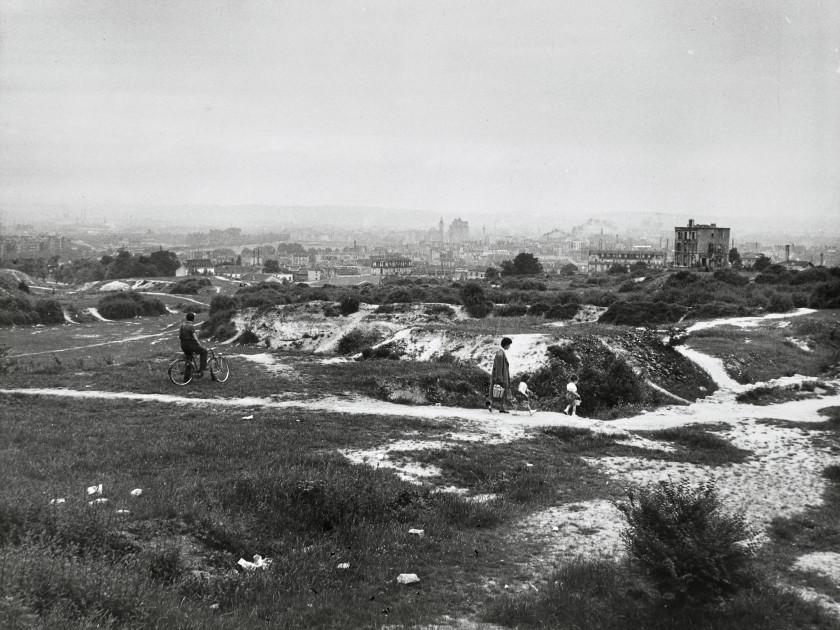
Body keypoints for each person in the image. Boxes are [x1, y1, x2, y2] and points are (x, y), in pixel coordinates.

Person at [489, 337, 514, 413]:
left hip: (501, 376)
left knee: (498, 392)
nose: (509, 347)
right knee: (502, 392)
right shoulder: (500, 354)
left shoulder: (500, 353)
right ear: (506, 345)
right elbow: (499, 367)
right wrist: (499, 378)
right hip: (502, 376)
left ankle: (493, 405)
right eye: (509, 345)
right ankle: (501, 407)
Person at [179, 312, 207, 378]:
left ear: (186, 318)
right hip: (190, 345)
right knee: (204, 351)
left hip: (183, 345)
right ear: (193, 319)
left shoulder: (182, 325)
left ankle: (186, 378)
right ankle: (202, 368)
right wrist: (198, 343)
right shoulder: (191, 326)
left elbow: (180, 336)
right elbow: (195, 337)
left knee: (189, 360)